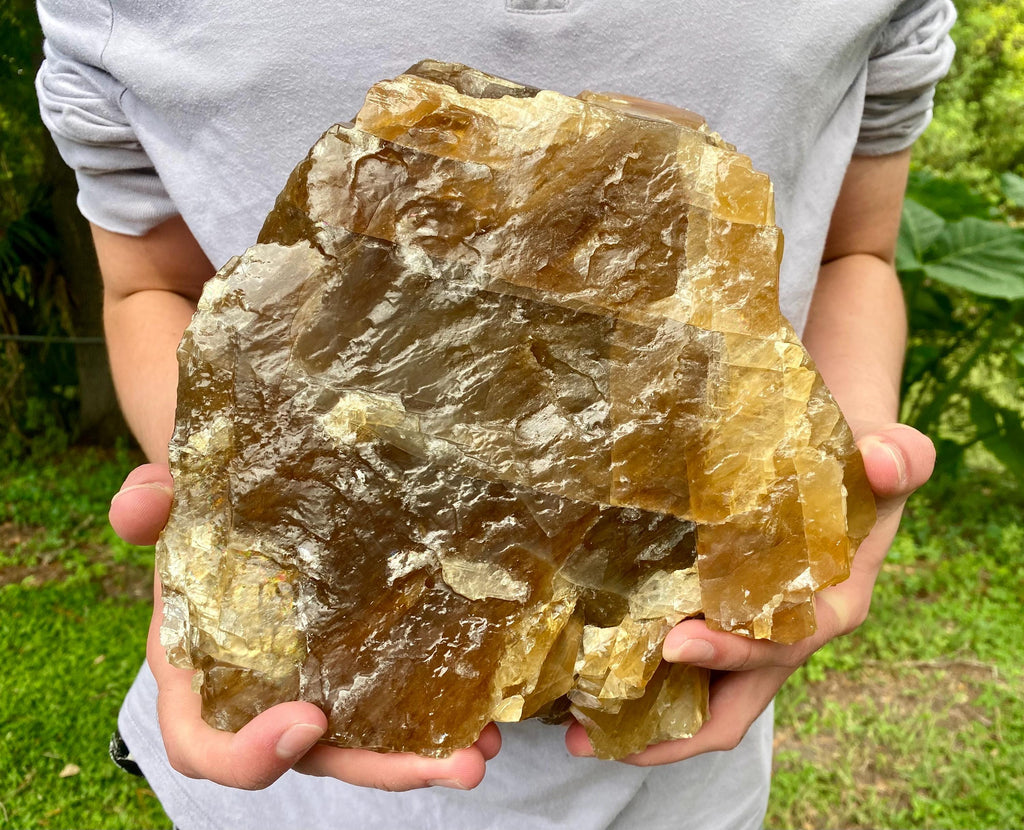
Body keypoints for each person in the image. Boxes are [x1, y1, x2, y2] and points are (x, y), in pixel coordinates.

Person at [36, 1, 949, 827]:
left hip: (682, 713)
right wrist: (225, 497)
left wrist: (837, 483)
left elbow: (854, 253)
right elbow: (151, 284)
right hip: (303, 736)